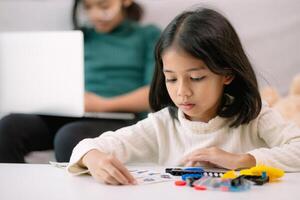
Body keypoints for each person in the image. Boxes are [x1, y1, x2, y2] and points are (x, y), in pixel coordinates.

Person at [67, 7, 300, 185]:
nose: (182, 92)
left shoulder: (254, 115)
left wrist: (243, 160)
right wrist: (92, 157)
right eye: (171, 78)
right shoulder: (162, 124)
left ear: (226, 74)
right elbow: (88, 146)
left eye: (196, 78)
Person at [0, 0, 161, 163]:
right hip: (73, 113)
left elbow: (155, 93)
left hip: (121, 117)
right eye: (88, 8)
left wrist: (103, 105)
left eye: (104, 6)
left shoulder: (148, 35)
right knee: (8, 127)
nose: (95, 15)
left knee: (70, 137)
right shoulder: (80, 36)